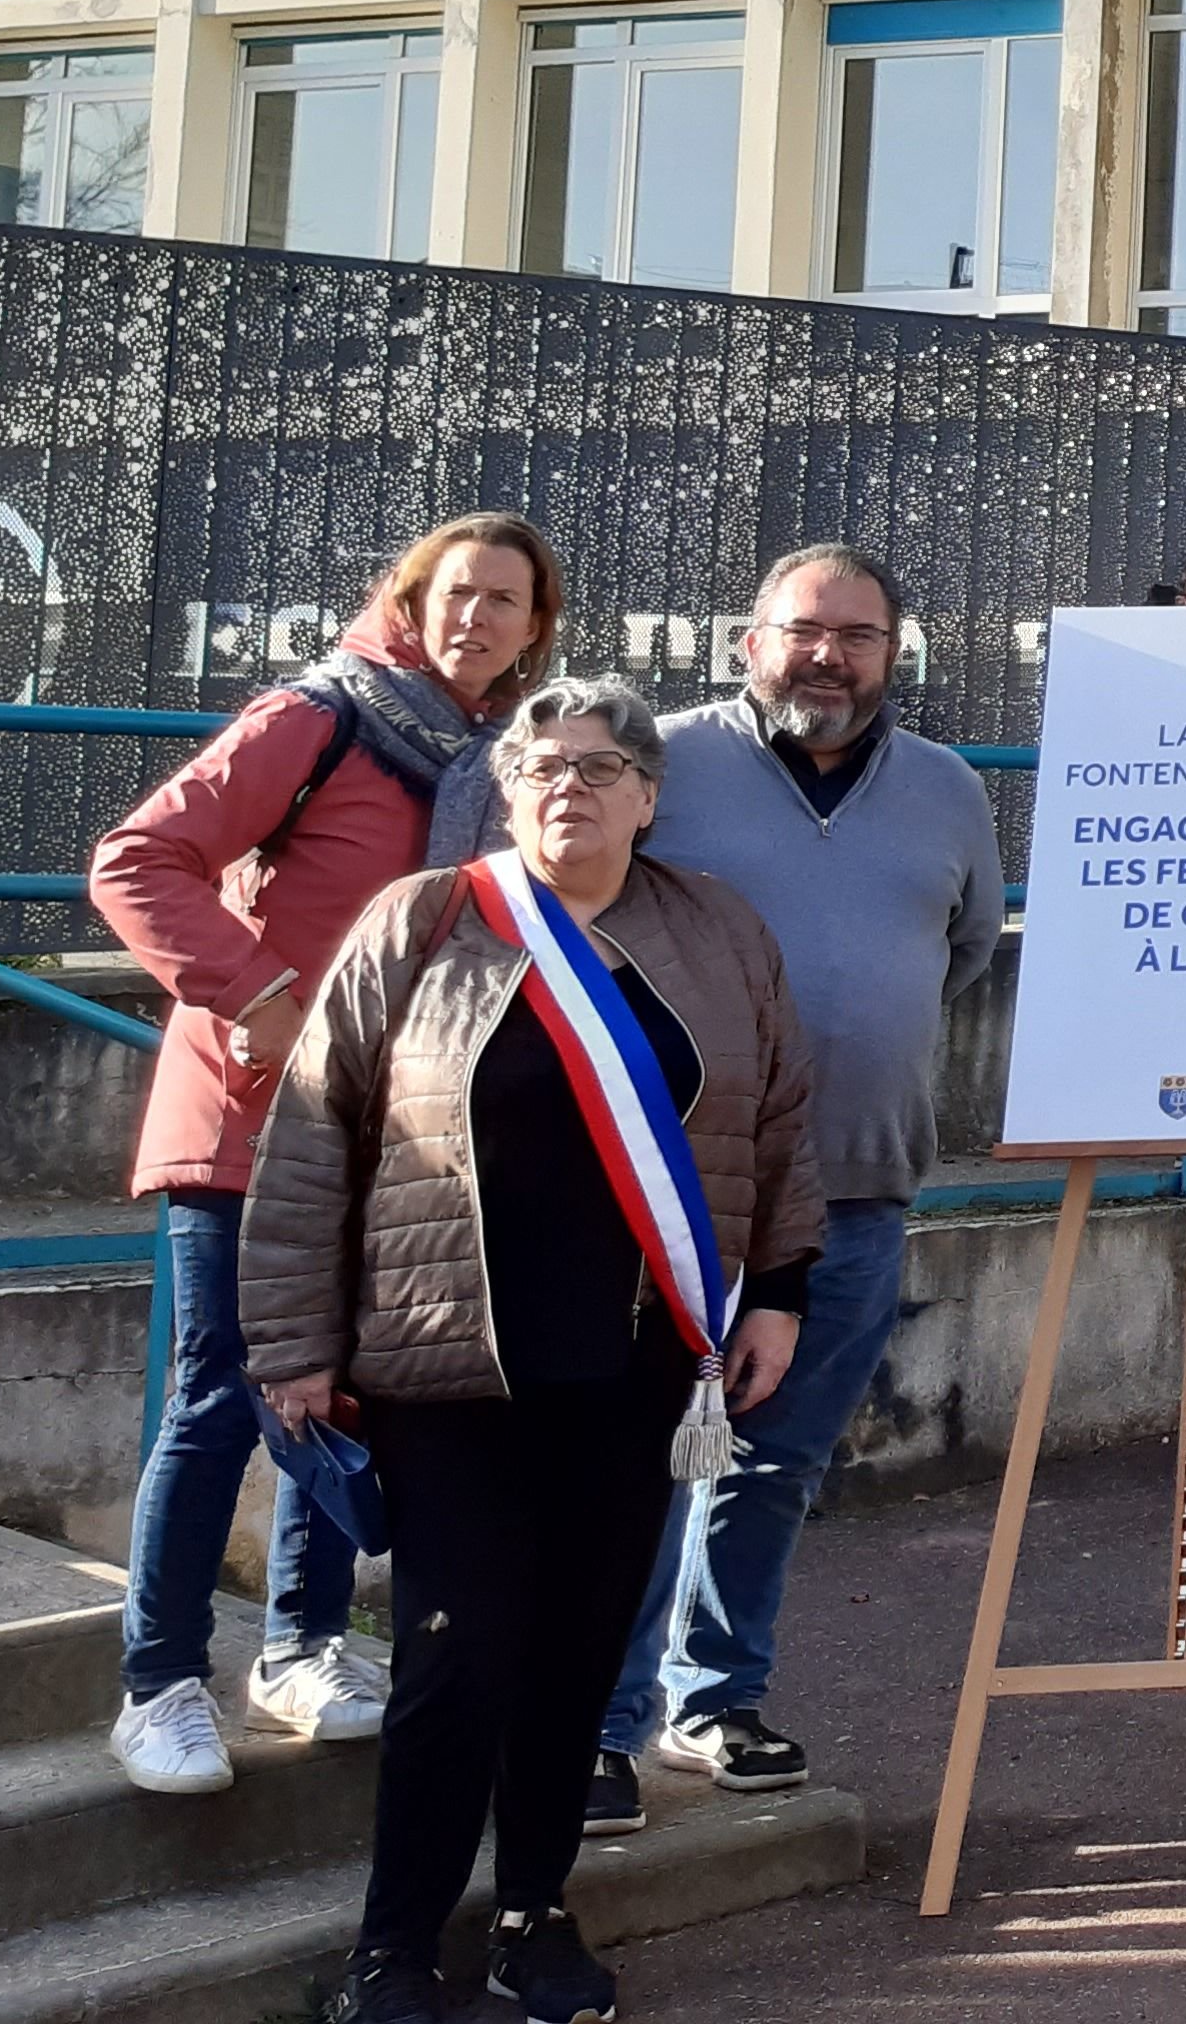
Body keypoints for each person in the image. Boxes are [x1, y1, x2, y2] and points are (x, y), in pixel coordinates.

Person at [244, 675, 820, 2024]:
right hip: (445, 1364)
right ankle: (390, 1947)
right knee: (458, 1652)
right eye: (546, 765)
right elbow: (315, 1136)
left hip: (631, 1367)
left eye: (604, 767)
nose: (574, 786)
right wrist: (291, 1337)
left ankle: (532, 1914)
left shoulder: (717, 932)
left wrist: (780, 1292)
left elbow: (785, 1119)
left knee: (574, 1653)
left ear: (650, 796)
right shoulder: (426, 921)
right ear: (508, 788)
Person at [86, 510, 562, 1796]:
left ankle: (298, 1648)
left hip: (392, 1131)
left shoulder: (495, 759)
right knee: (221, 1396)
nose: (476, 619)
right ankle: (160, 1682)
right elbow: (137, 862)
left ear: (535, 628)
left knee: (345, 1394)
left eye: (505, 602)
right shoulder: (321, 717)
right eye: (455, 593)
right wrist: (264, 1001)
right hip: (248, 1117)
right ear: (410, 599)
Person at [592, 541, 1004, 1827]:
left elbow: (965, 950)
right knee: (632, 1461)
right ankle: (599, 1723)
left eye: (859, 635)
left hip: (857, 1189)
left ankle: (713, 1698)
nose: (828, 656)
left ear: (896, 651)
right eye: (803, 630)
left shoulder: (947, 788)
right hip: (669, 1188)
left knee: (772, 1467)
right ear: (747, 640)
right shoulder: (658, 760)